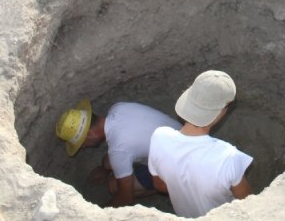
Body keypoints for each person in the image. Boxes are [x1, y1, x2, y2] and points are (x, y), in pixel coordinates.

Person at [148, 70, 253, 218]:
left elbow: (159, 185)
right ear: (222, 111)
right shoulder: (228, 158)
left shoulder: (159, 137)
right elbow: (250, 205)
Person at [55, 99, 181, 207]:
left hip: (180, 167)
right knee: (107, 162)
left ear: (89, 135)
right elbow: (121, 151)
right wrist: (105, 169)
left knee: (113, 186)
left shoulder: (118, 151)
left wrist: (99, 213)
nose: (83, 147)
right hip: (182, 139)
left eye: (81, 143)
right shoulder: (118, 108)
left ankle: (174, 190)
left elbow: (125, 198)